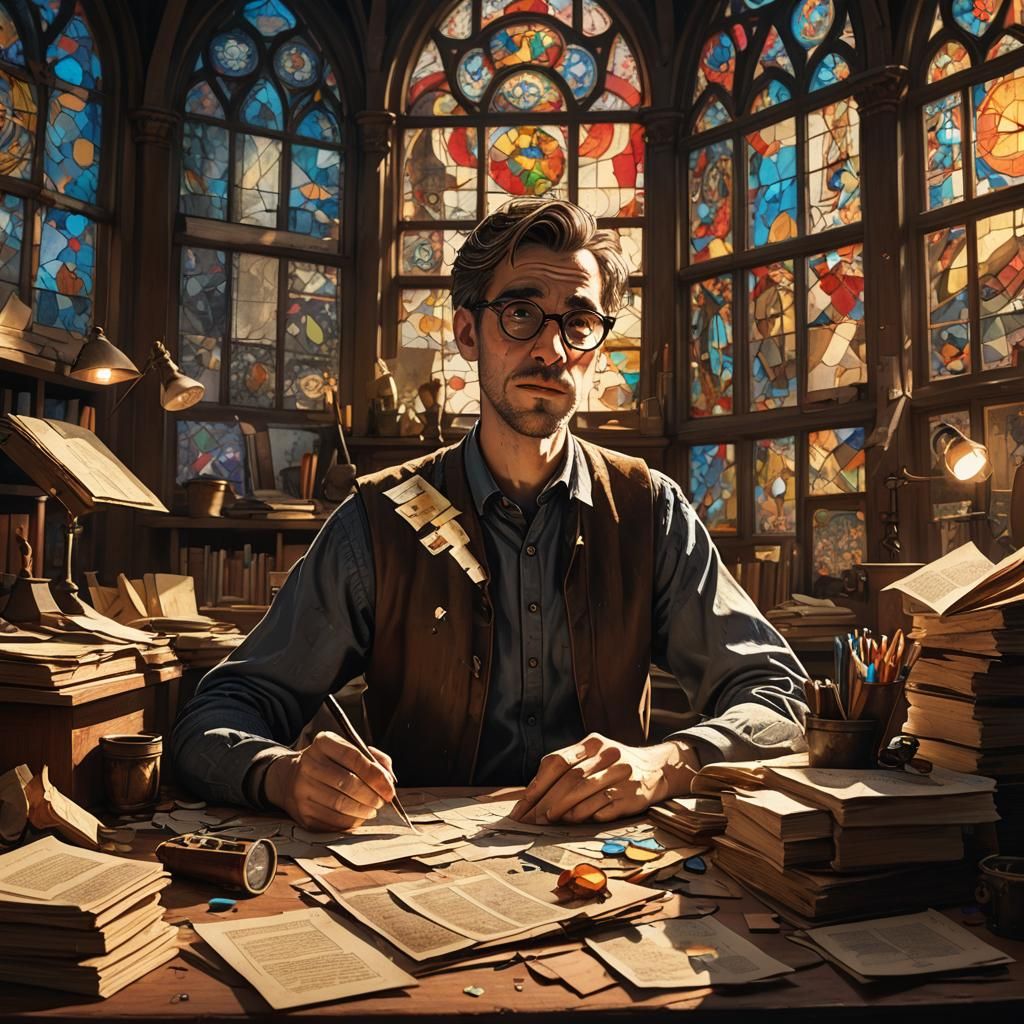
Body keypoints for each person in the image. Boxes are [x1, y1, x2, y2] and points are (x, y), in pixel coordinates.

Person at [171, 198, 808, 832]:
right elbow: (214, 719)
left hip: (606, 879)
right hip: (419, 883)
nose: (552, 349)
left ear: (598, 344)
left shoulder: (650, 510)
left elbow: (781, 699)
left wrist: (667, 762)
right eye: (522, 313)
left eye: (579, 321)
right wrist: (281, 774)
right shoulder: (377, 522)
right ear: (469, 333)